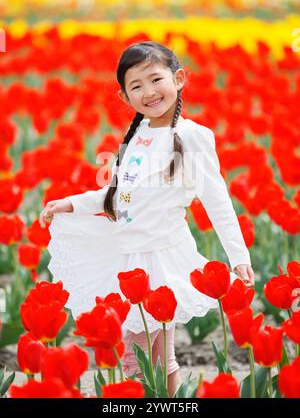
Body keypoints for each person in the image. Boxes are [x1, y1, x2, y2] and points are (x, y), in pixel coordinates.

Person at [40, 41, 254, 397]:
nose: (149, 92)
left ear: (179, 78)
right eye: (136, 86)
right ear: (124, 97)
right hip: (123, 255)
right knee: (141, 355)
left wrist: (240, 257)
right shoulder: (137, 136)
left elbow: (218, 202)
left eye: (156, 79)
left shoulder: (192, 137)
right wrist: (71, 204)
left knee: (148, 358)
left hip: (159, 258)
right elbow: (118, 194)